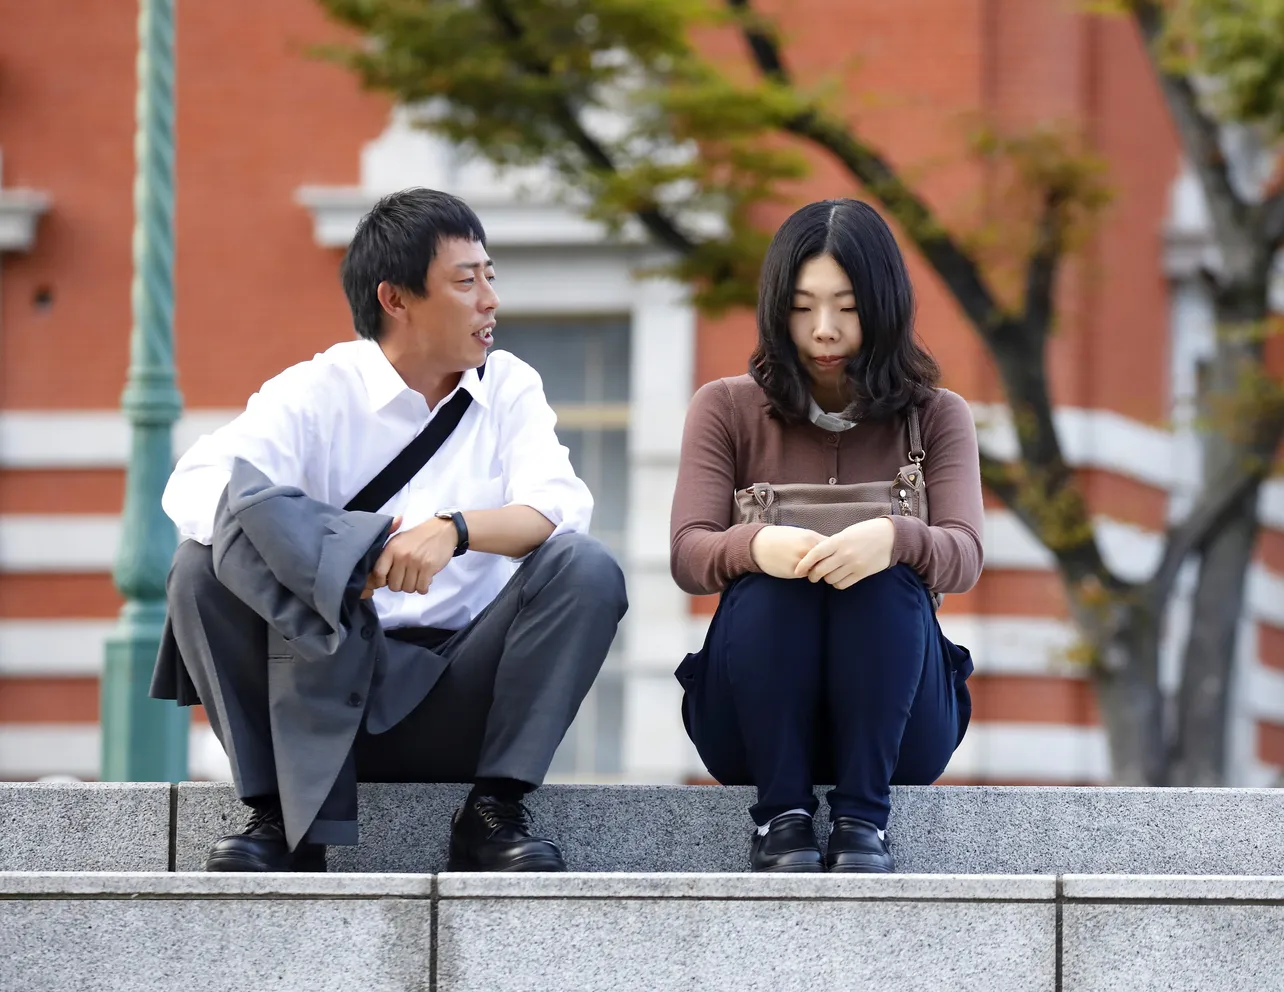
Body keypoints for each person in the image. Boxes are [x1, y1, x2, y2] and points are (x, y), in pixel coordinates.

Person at [153, 187, 627, 872]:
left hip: (460, 689)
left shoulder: (509, 386)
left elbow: (557, 508)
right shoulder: (317, 391)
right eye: (466, 281)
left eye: (490, 276)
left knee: (584, 566)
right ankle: (283, 814)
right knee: (199, 564)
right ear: (395, 299)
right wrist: (347, 556)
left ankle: (493, 811)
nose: (490, 299)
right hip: (320, 681)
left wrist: (453, 530)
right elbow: (197, 487)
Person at [669, 199, 981, 873]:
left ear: (884, 304)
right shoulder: (725, 409)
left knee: (887, 578)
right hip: (749, 723)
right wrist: (755, 547)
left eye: (847, 306)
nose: (825, 330)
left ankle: (863, 822)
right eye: (804, 307)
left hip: (901, 730)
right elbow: (689, 553)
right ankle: (781, 820)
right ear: (778, 308)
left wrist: (895, 539)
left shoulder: (938, 416)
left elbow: (965, 554)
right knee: (769, 585)